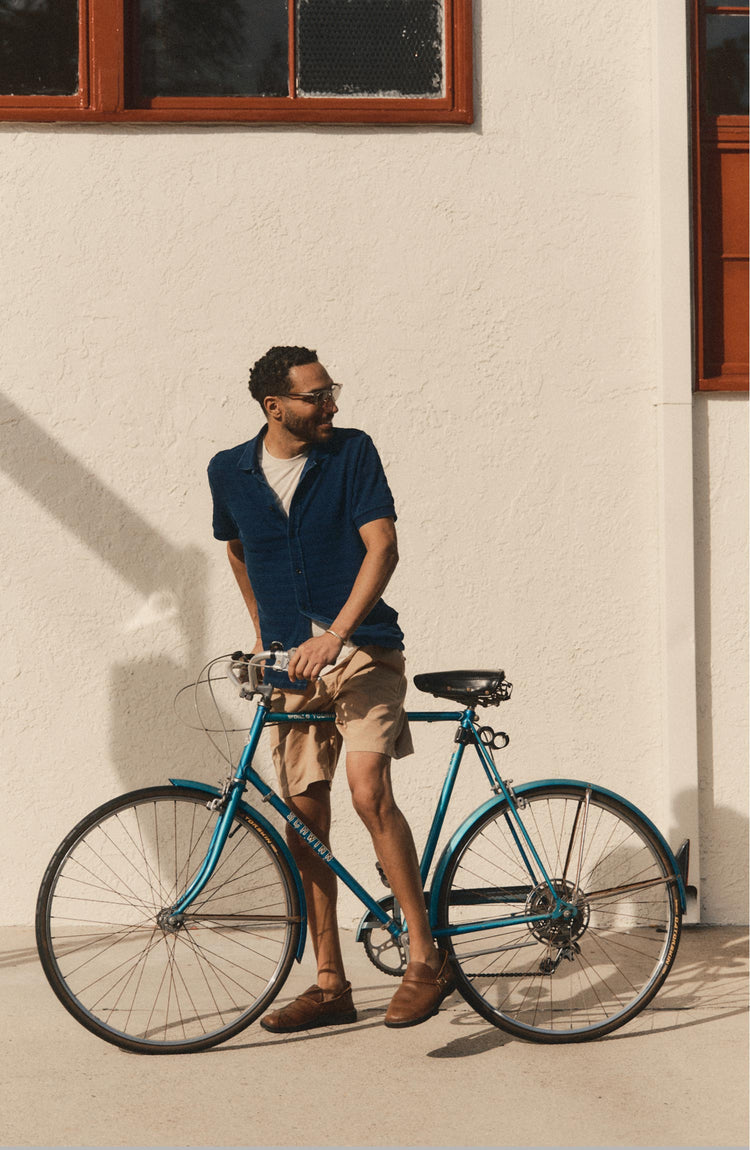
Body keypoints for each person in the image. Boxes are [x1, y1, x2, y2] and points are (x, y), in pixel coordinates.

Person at [207, 345, 455, 1031]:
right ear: (274, 406)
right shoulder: (228, 470)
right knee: (304, 820)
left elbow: (383, 547)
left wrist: (336, 634)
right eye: (316, 396)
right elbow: (236, 547)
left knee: (368, 789)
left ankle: (425, 960)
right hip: (292, 663)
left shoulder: (352, 454)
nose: (331, 405)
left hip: (363, 649)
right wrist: (265, 634)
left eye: (330, 391)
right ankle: (329, 983)